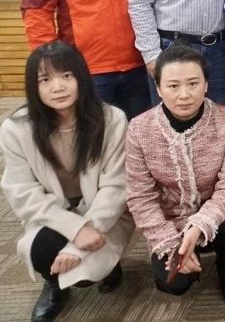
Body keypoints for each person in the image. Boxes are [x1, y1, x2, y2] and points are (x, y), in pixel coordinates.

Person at [1, 42, 132, 322]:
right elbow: (22, 192)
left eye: (67, 76)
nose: (57, 87)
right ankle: (54, 287)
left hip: (101, 212)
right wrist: (76, 228)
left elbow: (116, 187)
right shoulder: (16, 128)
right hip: (51, 214)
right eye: (45, 80)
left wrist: (80, 241)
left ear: (81, 78)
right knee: (42, 251)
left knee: (85, 274)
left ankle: (110, 264)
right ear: (33, 86)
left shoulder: (111, 119)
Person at [125, 44, 225, 305]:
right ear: (159, 88)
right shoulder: (139, 129)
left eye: (193, 84)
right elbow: (140, 197)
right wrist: (171, 244)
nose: (184, 95)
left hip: (216, 214)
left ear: (206, 84)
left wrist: (200, 225)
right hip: (170, 221)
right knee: (173, 284)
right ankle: (186, 256)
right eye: (173, 86)